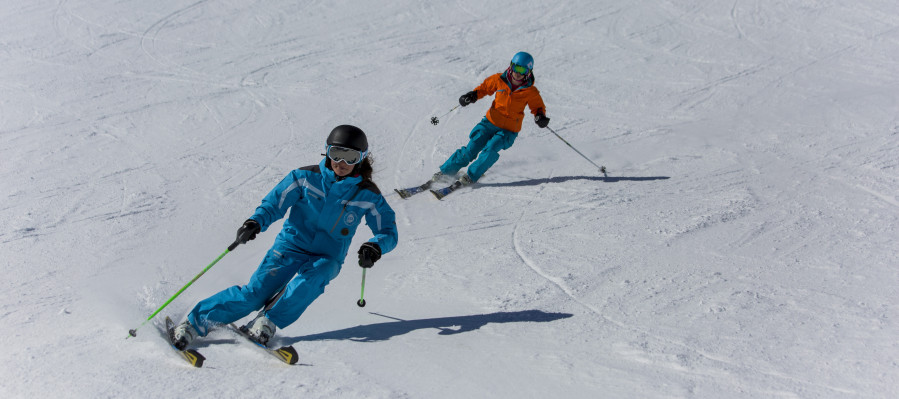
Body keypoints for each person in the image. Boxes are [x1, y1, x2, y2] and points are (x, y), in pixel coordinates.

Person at [172, 125, 398, 349]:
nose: (342, 163)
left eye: (350, 157)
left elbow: (387, 231)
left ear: (361, 158)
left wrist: (375, 246)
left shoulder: (368, 194)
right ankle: (194, 324)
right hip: (290, 246)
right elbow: (274, 204)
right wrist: (256, 222)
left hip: (327, 255)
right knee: (254, 295)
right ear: (327, 152)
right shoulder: (304, 178)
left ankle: (266, 322)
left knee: (315, 277)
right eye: (336, 154)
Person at [431, 51, 550, 189]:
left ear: (528, 72)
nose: (517, 73)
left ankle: (471, 176)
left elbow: (538, 107)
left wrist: (540, 116)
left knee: (491, 148)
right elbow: (484, 89)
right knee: (471, 148)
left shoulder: (530, 91)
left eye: (521, 69)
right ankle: (446, 172)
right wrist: (472, 95)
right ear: (511, 66)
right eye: (515, 67)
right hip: (489, 123)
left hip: (508, 130)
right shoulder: (499, 79)